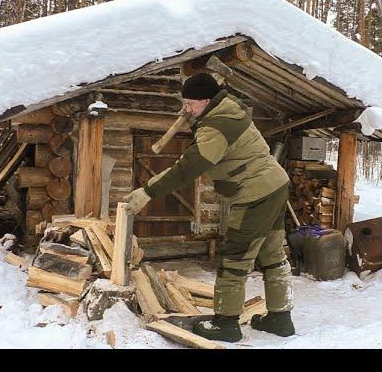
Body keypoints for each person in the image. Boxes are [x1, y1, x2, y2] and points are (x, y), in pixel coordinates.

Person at [122, 72, 295, 342]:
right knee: (272, 254)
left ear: (206, 100)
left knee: (234, 258)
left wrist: (148, 191)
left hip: (255, 193)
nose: (186, 109)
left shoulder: (215, 127)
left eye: (191, 103)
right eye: (185, 103)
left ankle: (225, 324)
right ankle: (280, 319)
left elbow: (187, 168)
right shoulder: (228, 107)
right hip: (275, 185)